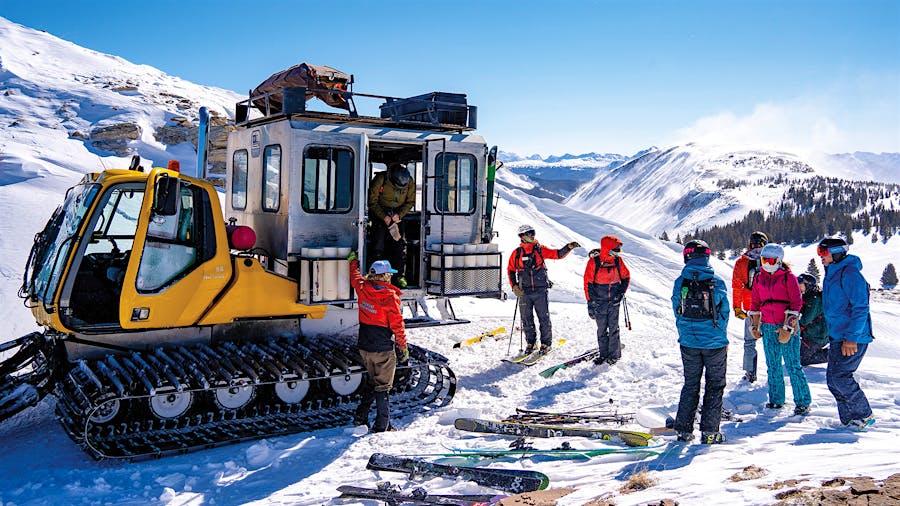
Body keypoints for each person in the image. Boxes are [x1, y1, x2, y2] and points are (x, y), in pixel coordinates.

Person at [671, 239, 730, 444]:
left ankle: (684, 430)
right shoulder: (717, 282)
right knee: (715, 385)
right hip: (714, 343)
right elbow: (724, 312)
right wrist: (718, 334)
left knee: (691, 384)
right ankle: (710, 432)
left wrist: (686, 331)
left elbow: (677, 309)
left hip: (688, 342)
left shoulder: (680, 282)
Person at [817, 237, 874, 430]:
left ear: (837, 253)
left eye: (823, 252)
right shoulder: (832, 273)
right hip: (838, 336)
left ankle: (864, 415)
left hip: (852, 337)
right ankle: (849, 420)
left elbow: (861, 308)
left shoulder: (850, 274)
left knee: (841, 377)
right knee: (833, 380)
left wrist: (851, 338)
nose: (820, 257)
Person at [348, 252, 409, 432]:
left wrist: (353, 262)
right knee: (383, 386)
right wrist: (402, 346)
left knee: (372, 381)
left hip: (365, 345)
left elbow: (355, 277)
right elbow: (397, 325)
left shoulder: (362, 288)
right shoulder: (390, 296)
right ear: (385, 276)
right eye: (389, 274)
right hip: (382, 348)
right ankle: (383, 425)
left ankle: (360, 417)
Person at [748, 244, 811, 415]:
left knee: (792, 364)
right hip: (768, 325)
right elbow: (755, 302)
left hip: (786, 326)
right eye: (764, 260)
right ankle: (776, 399)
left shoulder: (788, 278)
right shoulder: (759, 278)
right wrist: (754, 324)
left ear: (779, 260)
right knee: (773, 364)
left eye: (771, 260)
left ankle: (803, 401)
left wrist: (788, 327)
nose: (767, 264)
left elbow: (796, 303)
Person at [507, 224, 580, 354]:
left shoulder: (540, 250)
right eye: (529, 233)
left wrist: (568, 247)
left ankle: (546, 344)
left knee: (543, 318)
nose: (532, 235)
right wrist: (514, 286)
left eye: (533, 232)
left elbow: (557, 254)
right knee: (526, 318)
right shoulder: (517, 253)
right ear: (522, 236)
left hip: (540, 290)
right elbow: (511, 270)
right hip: (524, 291)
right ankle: (531, 343)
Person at [583, 235, 631, 365]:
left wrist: (620, 293)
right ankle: (603, 354)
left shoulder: (618, 261)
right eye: (615, 250)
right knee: (602, 329)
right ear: (607, 249)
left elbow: (626, 277)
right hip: (599, 302)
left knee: (614, 328)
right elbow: (588, 283)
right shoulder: (594, 262)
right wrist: (590, 302)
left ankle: (614, 356)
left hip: (614, 301)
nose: (617, 253)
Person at [368, 163, 415, 288]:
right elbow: (372, 201)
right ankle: (375, 276)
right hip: (379, 213)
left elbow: (410, 201)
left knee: (400, 245)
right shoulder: (381, 179)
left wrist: (399, 215)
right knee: (378, 244)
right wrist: (383, 216)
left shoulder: (409, 182)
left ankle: (399, 276)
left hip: (397, 216)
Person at [732, 231, 769, 383]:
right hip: (770, 307)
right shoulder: (771, 260)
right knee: (771, 341)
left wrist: (737, 307)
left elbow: (737, 286)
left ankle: (750, 373)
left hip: (750, 307)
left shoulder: (742, 262)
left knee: (749, 342)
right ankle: (774, 371)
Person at [797, 273, 829, 366]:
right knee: (795, 355)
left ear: (808, 285)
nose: (798, 286)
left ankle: (833, 355)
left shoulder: (815, 299)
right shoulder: (808, 296)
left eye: (800, 284)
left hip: (817, 336)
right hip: (812, 333)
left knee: (801, 359)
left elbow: (805, 320)